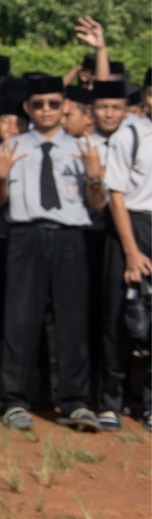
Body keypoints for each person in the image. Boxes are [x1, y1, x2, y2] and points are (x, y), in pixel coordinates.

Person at [0, 74, 107, 432]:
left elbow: (97, 205)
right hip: (25, 237)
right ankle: (14, 400)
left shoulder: (82, 148)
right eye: (38, 104)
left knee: (72, 320)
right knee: (20, 320)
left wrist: (93, 176)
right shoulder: (12, 146)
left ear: (64, 107)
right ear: (28, 107)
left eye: (54, 104)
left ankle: (74, 401)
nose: (46, 110)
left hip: (70, 238)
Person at [92, 76, 150, 431]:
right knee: (117, 317)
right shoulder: (131, 134)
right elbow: (116, 195)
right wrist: (131, 251)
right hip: (132, 226)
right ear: (145, 96)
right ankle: (110, 402)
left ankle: (146, 403)